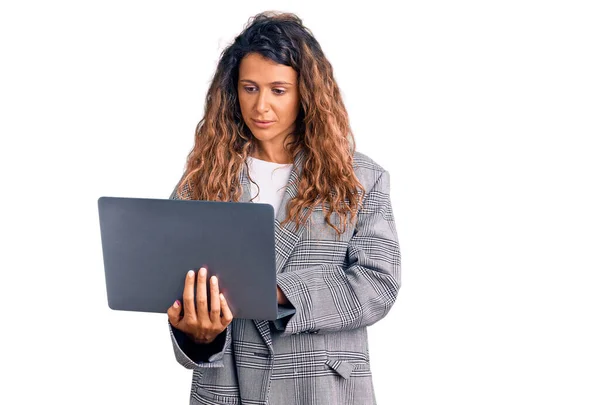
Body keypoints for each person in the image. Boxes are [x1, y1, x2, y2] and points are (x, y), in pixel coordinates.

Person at [166, 11, 401, 405]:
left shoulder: (358, 178)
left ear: (305, 93)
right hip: (230, 385)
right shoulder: (202, 178)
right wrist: (198, 333)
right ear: (232, 91)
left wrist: (275, 292)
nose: (261, 106)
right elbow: (174, 279)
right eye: (249, 88)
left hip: (321, 387)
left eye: (278, 90)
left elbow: (378, 283)